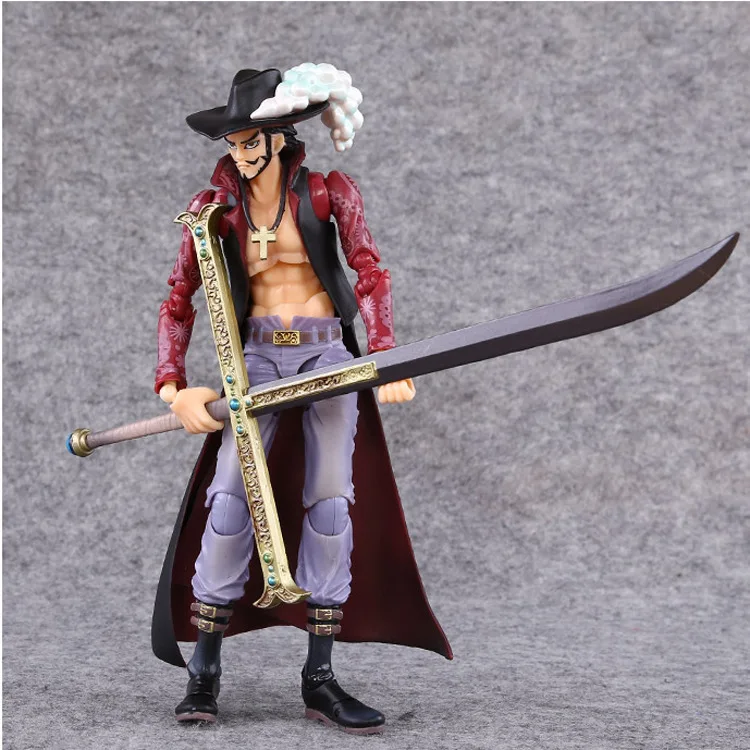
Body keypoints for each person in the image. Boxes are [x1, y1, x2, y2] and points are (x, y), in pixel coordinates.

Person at [152, 65, 451, 733]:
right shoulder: (211, 210)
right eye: (233, 142)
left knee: (331, 498)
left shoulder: (326, 192)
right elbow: (179, 297)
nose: (240, 153)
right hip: (254, 360)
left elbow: (369, 273)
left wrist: (385, 356)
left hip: (326, 353)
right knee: (229, 498)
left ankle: (319, 677)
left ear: (280, 137)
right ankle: (205, 668)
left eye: (250, 141)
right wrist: (173, 386)